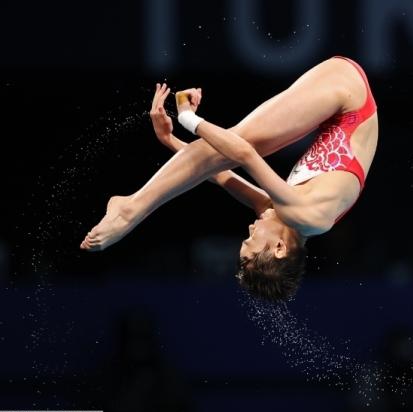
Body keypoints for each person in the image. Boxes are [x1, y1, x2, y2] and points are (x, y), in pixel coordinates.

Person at [79, 56, 379, 301]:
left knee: (228, 149)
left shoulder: (286, 217)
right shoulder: (308, 215)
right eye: (251, 239)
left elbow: (221, 176)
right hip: (349, 97)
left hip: (339, 100)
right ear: (278, 249)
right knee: (244, 141)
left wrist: (170, 141)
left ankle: (134, 206)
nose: (249, 228)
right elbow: (245, 154)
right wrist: (189, 120)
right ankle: (132, 209)